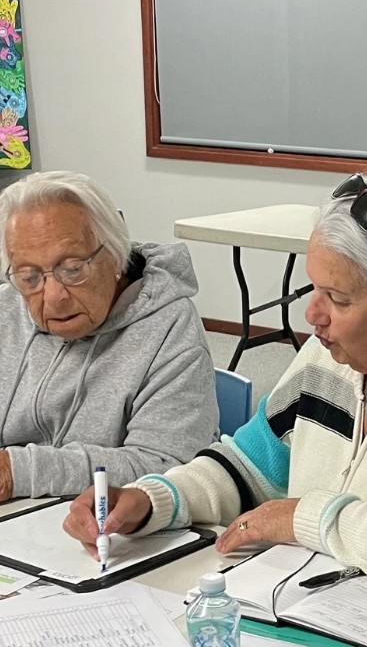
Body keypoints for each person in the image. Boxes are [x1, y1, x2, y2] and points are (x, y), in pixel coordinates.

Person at [65, 173, 367, 604]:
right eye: (312, 289)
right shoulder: (324, 359)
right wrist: (154, 500)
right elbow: (248, 468)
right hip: (343, 605)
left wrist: (302, 520)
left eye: (337, 298)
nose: (312, 315)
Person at [0, 170, 217, 498]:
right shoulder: (7, 307)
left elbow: (170, 466)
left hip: (104, 530)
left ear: (115, 254)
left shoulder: (169, 329)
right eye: (30, 277)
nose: (53, 296)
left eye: (73, 269)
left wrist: (20, 471)